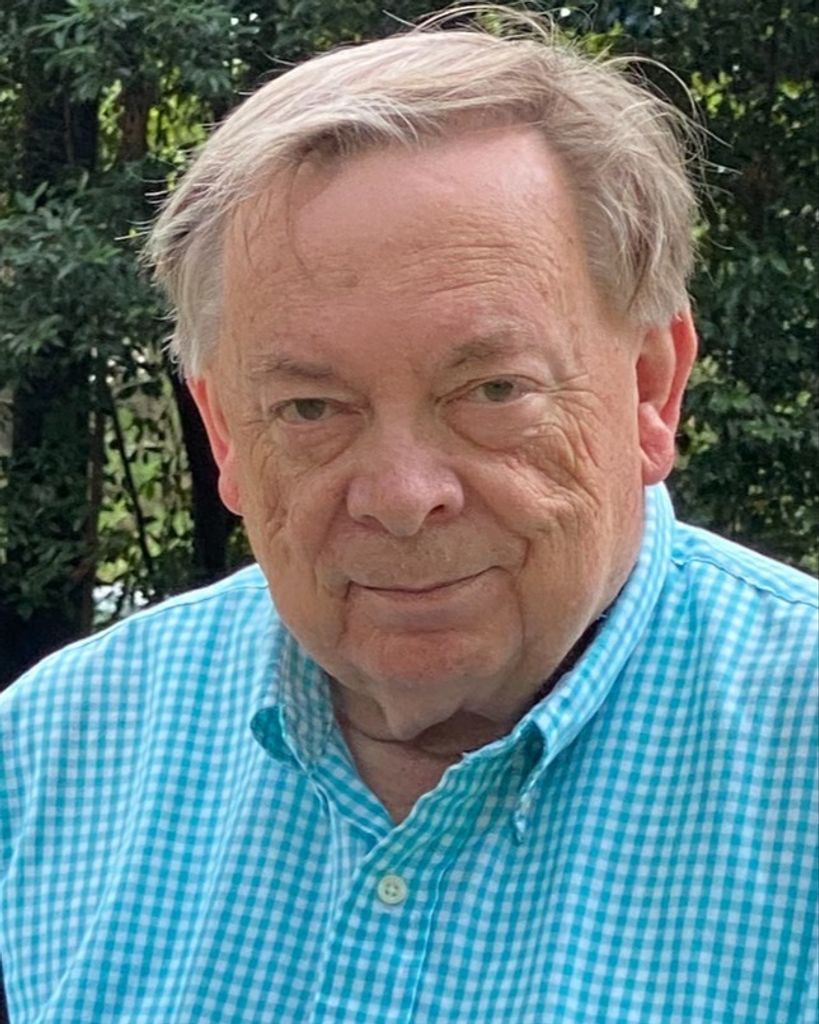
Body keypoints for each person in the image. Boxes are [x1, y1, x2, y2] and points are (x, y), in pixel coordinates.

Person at [1, 13, 816, 1023]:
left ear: (651, 388)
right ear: (224, 433)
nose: (399, 495)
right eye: (311, 408)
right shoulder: (47, 760)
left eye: (491, 391)